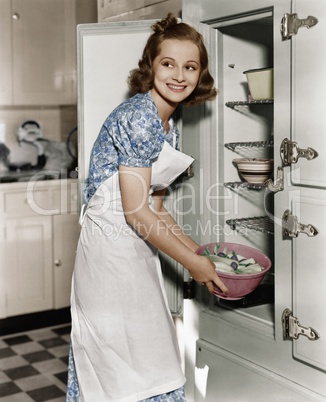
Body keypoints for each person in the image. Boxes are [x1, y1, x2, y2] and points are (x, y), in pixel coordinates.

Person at [67, 13, 228, 402]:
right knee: (123, 363)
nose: (179, 75)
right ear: (150, 66)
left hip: (135, 246)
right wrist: (193, 264)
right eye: (167, 63)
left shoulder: (169, 121)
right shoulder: (140, 117)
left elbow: (156, 211)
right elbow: (137, 213)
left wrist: (201, 256)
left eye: (190, 66)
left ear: (200, 74)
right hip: (111, 251)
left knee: (146, 355)